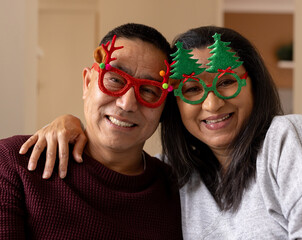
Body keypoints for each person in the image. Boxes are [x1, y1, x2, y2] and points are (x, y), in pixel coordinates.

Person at [20, 26, 302, 239]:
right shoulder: (179, 176)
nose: (211, 105)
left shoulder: (289, 138)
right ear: (174, 104)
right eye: (192, 89)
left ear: (254, 84)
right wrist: (71, 122)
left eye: (226, 81)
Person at [0, 23, 183, 239]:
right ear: (87, 83)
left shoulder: (178, 191)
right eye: (114, 79)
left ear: (164, 107)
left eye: (149, 90)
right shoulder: (15, 162)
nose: (127, 104)